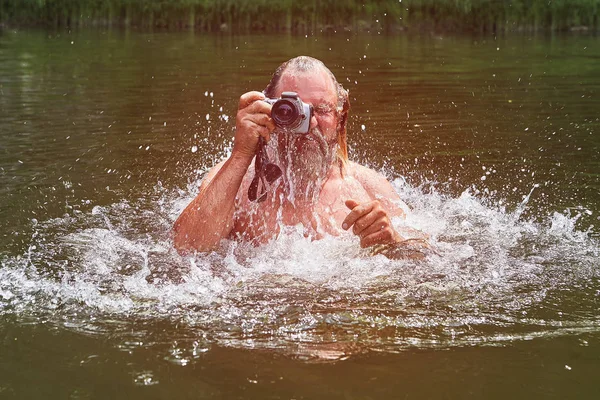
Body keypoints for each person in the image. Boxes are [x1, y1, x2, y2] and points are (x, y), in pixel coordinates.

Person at [174, 56, 429, 258]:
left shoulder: (368, 187)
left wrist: (393, 241)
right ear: (270, 110)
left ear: (341, 116)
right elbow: (183, 249)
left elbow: (428, 260)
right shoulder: (236, 180)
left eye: (321, 110)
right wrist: (241, 154)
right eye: (295, 111)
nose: (310, 123)